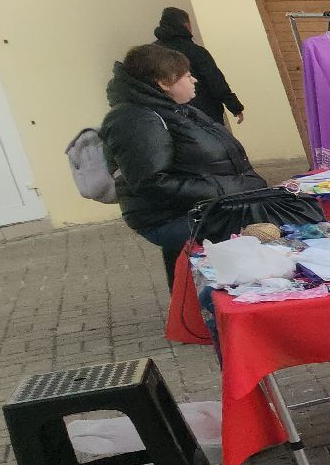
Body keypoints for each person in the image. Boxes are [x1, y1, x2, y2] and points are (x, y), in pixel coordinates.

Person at [101, 44, 267, 287]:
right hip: (173, 217)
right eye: (187, 76)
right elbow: (152, 182)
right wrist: (231, 192)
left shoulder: (178, 111)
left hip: (201, 209)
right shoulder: (136, 119)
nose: (194, 80)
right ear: (165, 82)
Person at [153, 7, 244, 126]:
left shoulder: (153, 53)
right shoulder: (196, 52)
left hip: (171, 118)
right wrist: (234, 106)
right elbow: (215, 81)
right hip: (206, 114)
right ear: (186, 26)